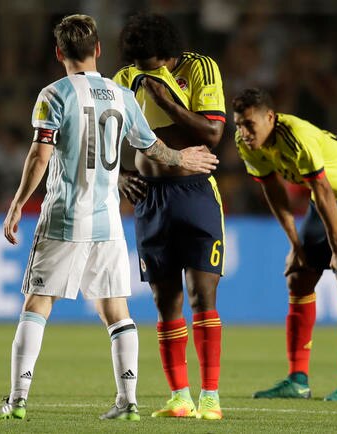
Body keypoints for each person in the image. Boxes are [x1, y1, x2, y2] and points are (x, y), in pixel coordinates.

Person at [0, 14, 218, 422]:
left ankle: (17, 401)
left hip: (64, 215)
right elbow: (152, 147)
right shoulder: (121, 95)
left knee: (37, 304)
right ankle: (128, 401)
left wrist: (17, 202)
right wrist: (183, 158)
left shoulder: (53, 94)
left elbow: (40, 154)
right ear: (98, 50)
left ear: (59, 53)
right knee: (116, 310)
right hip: (109, 222)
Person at [232, 88, 337, 401]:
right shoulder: (245, 144)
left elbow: (323, 187)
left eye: (250, 124)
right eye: (238, 125)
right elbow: (273, 189)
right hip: (324, 199)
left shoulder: (296, 136)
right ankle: (297, 379)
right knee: (299, 277)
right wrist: (295, 245)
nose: (244, 132)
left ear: (270, 118)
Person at [113, 13, 226, 420]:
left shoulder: (200, 68)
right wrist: (120, 175)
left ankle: (210, 396)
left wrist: (166, 100)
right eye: (138, 67)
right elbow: (104, 138)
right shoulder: (125, 78)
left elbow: (212, 134)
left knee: (202, 296)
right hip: (150, 197)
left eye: (150, 65)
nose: (142, 74)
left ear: (169, 56)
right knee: (165, 301)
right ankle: (180, 396)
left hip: (195, 193)